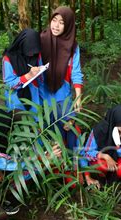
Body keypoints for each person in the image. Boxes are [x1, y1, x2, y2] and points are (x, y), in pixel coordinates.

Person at [40, 6, 84, 150]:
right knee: (47, 131)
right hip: (42, 95)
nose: (56, 25)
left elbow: (76, 72)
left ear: (69, 25)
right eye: (54, 20)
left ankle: (72, 164)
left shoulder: (73, 46)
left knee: (69, 127)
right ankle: (50, 166)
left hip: (63, 95)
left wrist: (78, 98)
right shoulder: (41, 39)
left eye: (62, 22)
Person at [80, 104, 121, 188]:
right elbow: (87, 152)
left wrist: (118, 145)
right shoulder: (99, 130)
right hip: (101, 160)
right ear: (114, 121)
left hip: (117, 161)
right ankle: (101, 179)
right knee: (101, 166)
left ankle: (115, 182)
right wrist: (104, 156)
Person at [2, 28, 42, 116]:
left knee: (36, 124)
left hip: (33, 95)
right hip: (15, 98)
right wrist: (28, 76)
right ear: (22, 45)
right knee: (20, 124)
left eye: (34, 51)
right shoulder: (8, 59)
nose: (32, 54)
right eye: (29, 51)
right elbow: (8, 85)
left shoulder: (36, 54)